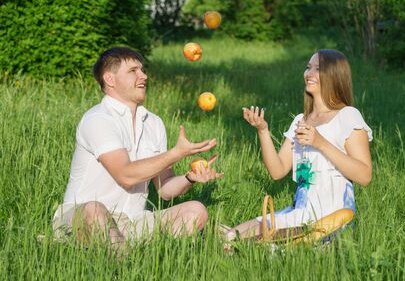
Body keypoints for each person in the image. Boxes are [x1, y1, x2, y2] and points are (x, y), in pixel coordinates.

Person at [53, 47, 223, 249]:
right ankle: (121, 264)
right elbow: (125, 175)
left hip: (134, 221)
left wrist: (189, 178)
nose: (143, 76)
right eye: (133, 71)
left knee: (196, 210)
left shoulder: (153, 123)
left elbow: (165, 188)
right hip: (85, 216)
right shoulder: (98, 119)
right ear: (110, 79)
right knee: (94, 209)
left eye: (142, 70)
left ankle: (136, 250)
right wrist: (176, 153)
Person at [224, 49, 372, 242]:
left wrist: (320, 143)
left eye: (317, 69)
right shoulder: (300, 121)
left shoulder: (348, 116)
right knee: (229, 237)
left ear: (335, 75)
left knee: (255, 243)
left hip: (331, 219)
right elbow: (277, 171)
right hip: (298, 214)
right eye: (308, 67)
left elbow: (365, 176)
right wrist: (263, 130)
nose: (308, 74)